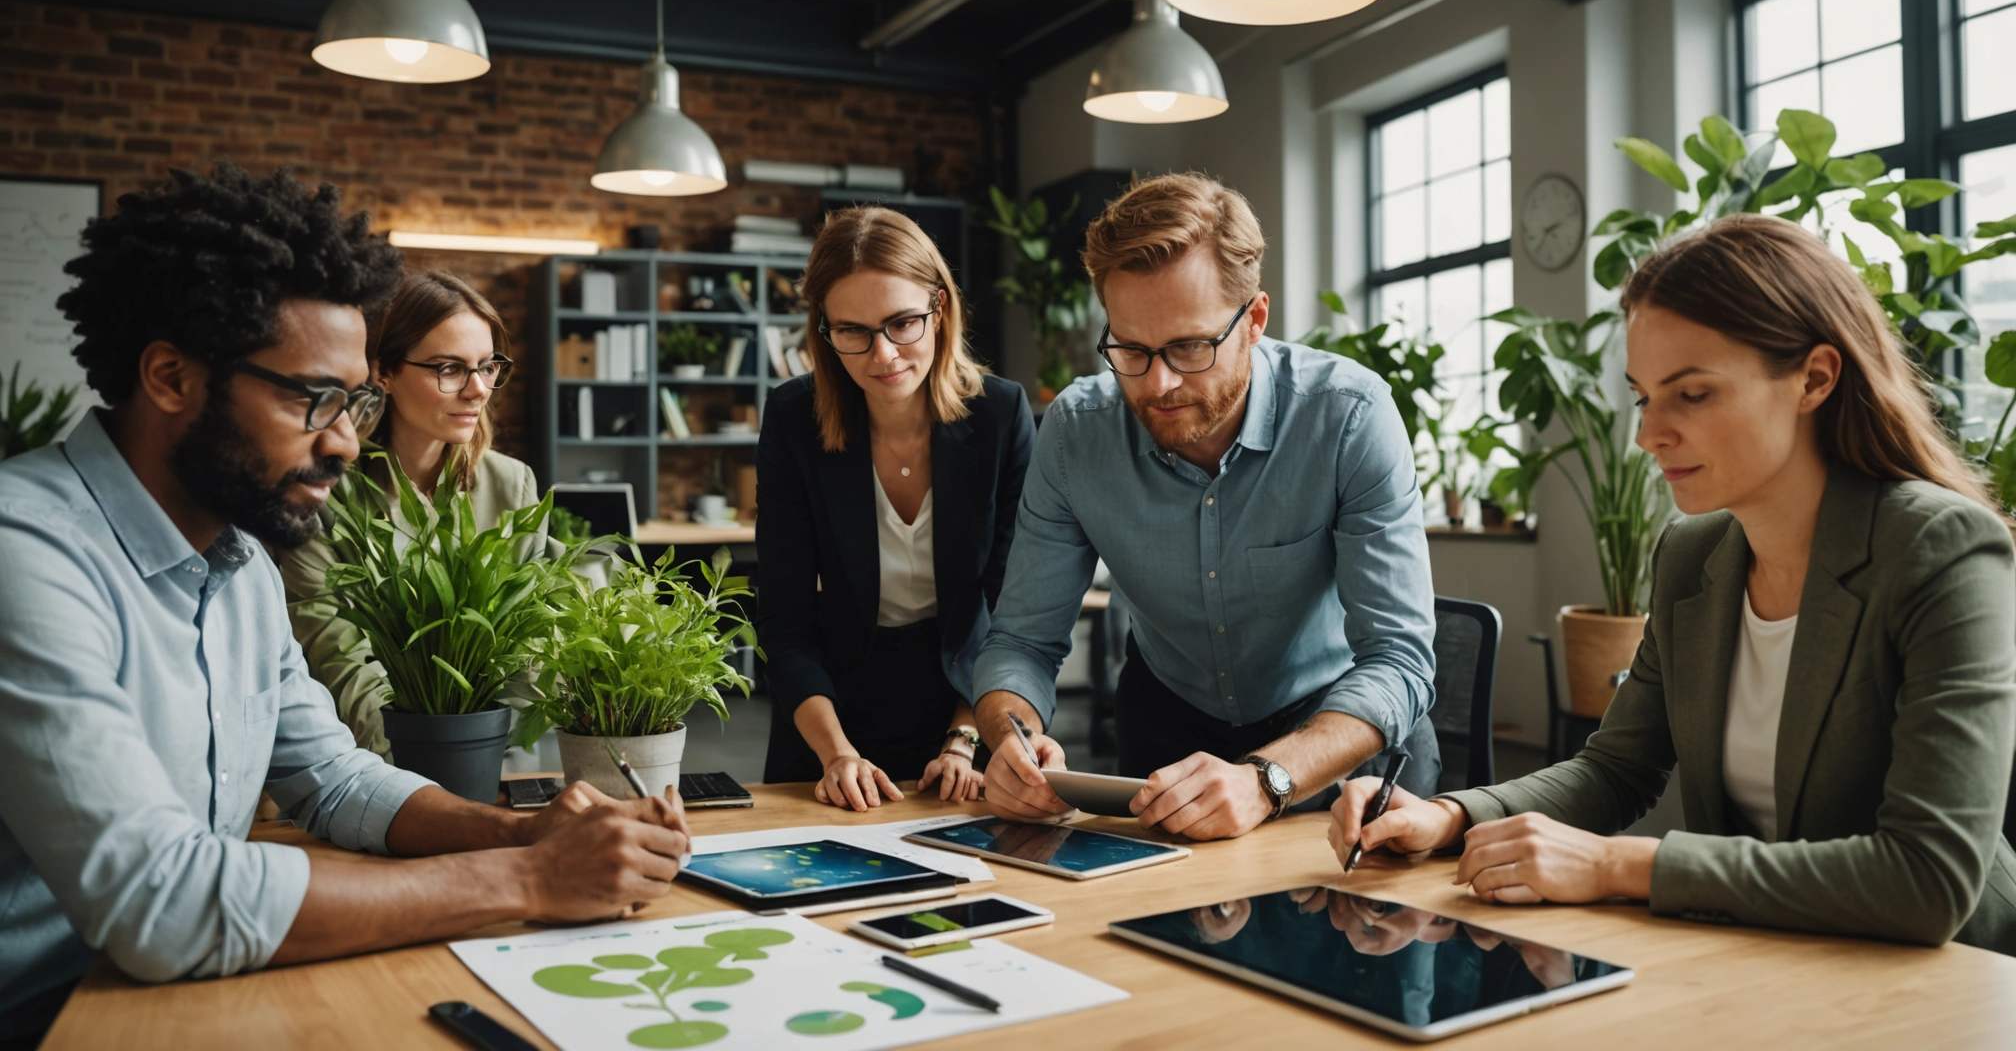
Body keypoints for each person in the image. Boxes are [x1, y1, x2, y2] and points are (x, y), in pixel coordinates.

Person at [0, 165, 693, 1045]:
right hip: (44, 1011)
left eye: (355, 401)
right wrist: (527, 882)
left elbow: (334, 778)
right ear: (171, 379)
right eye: (312, 398)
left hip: (163, 996)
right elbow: (161, 904)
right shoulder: (26, 551)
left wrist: (517, 834)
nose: (343, 442)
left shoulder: (241, 557)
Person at [1330, 213, 2016, 954]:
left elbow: (1927, 880)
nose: (1649, 434)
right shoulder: (1694, 557)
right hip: (1767, 959)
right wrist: (1451, 816)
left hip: (1949, 978)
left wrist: (1615, 864)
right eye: (1643, 396)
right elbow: (1618, 768)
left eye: (1692, 395)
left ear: (1815, 378)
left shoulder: (1938, 548)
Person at [972, 172, 1440, 841]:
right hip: (1168, 731)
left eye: (1190, 347)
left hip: (1340, 745)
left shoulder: (1348, 417)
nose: (1157, 384)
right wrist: (1011, 737)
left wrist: (1266, 779)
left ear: (1253, 320)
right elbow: (1022, 639)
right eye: (1130, 349)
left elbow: (1399, 657)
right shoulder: (1076, 433)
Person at [757, 206, 1034, 810]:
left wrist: (964, 739)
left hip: (964, 699)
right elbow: (785, 618)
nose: (882, 354)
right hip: (828, 710)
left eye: (902, 322)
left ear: (941, 309)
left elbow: (1008, 611)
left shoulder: (1001, 416)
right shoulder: (792, 419)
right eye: (853, 331)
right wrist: (836, 754)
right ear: (824, 333)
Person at [278, 270, 538, 758]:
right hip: (375, 760)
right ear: (385, 373)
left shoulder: (511, 485)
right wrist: (421, 784)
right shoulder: (325, 491)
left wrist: (503, 762)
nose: (478, 389)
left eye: (487, 366)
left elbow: (523, 648)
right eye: (450, 369)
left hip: (500, 760)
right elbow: (339, 655)